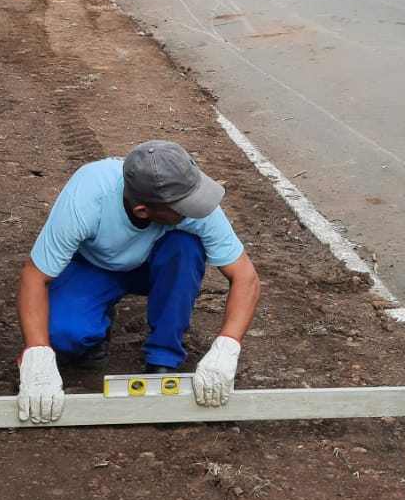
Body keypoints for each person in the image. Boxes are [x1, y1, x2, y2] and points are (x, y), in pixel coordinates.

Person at [16, 140, 261, 424]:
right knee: (60, 334)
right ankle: (97, 321)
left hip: (156, 264)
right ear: (144, 210)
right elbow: (35, 276)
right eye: (184, 207)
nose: (196, 209)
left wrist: (227, 346)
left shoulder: (187, 195)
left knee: (185, 247)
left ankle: (163, 359)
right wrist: (37, 355)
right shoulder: (85, 199)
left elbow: (246, 277)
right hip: (95, 267)